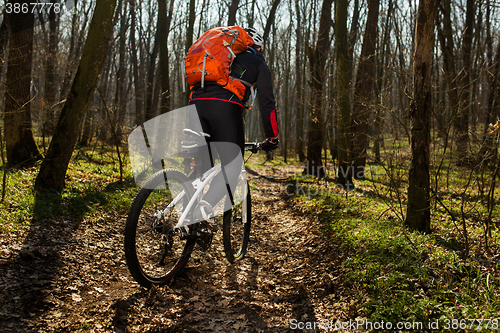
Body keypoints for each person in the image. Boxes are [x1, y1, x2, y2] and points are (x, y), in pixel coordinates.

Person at [188, 27, 280, 223]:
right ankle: (205, 208)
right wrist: (272, 137)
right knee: (233, 164)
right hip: (224, 108)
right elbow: (267, 102)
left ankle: (186, 210)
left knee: (202, 167)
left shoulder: (220, 56)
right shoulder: (257, 61)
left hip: (195, 102)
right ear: (258, 47)